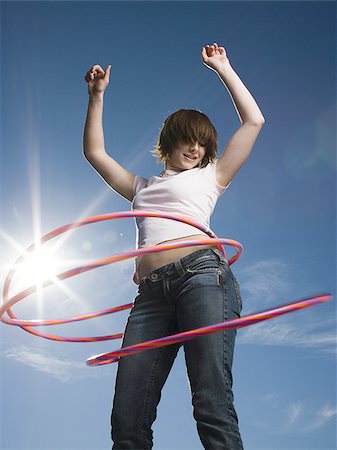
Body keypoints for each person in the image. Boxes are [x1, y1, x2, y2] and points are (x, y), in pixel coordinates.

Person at [83, 42, 265, 450]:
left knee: (210, 401)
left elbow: (253, 122)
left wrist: (223, 68)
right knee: (127, 418)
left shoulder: (211, 177)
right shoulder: (140, 189)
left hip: (202, 276)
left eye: (202, 143)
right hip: (149, 298)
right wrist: (96, 97)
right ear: (169, 141)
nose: (195, 148)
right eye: (188, 139)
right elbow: (95, 153)